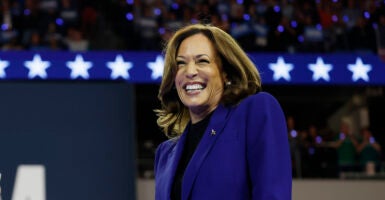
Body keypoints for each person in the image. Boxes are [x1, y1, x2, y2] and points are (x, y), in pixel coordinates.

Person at [154, 23, 291, 200]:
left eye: (202, 61)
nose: (190, 71)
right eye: (181, 64)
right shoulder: (164, 155)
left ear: (225, 73)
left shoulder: (255, 112)